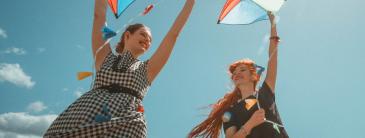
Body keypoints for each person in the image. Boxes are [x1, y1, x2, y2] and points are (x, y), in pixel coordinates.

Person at [44, 0, 195, 137]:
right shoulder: (104, 56)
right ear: (127, 36)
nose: (147, 41)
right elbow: (99, 16)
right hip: (84, 116)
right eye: (143, 34)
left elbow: (173, 35)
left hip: (126, 125)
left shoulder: (148, 69)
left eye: (150, 40)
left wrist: (190, 2)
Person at [188, 12, 289, 138]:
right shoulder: (231, 111)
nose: (237, 74)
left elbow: (273, 58)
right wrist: (250, 124)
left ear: (254, 76)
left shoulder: (266, 93)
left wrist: (273, 23)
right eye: (234, 73)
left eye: (242, 70)